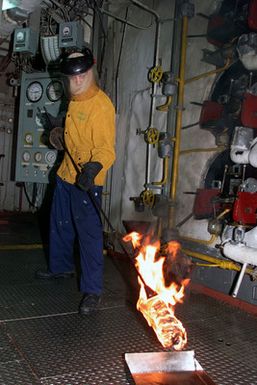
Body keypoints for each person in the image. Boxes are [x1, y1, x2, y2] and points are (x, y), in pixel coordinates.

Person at [36, 48, 116, 315]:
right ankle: (60, 268)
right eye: (73, 76)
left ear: (91, 71)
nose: (78, 80)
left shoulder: (101, 105)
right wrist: (57, 133)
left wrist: (92, 170)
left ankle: (93, 290)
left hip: (87, 180)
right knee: (59, 223)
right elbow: (72, 130)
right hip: (66, 174)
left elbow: (106, 150)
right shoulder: (74, 100)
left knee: (89, 235)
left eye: (82, 75)